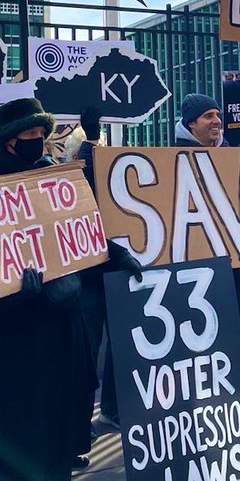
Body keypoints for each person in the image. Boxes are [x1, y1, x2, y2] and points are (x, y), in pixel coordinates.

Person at [0, 98, 137, 481]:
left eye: (42, 134)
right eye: (31, 136)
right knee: (23, 418)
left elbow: (80, 232)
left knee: (57, 411)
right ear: (10, 140)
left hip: (61, 317)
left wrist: (116, 255)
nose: (40, 142)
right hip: (20, 329)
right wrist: (14, 290)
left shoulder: (53, 178)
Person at [173, 93, 240, 354]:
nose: (216, 121)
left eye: (217, 115)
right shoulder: (170, 157)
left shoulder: (232, 156)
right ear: (191, 123)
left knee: (236, 337)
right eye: (208, 116)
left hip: (235, 271)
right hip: (194, 273)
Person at [74, 106, 144, 434]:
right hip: (89, 276)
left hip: (117, 272)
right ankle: (79, 418)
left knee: (119, 346)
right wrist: (90, 142)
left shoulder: (116, 169)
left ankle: (112, 411)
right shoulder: (81, 170)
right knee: (87, 351)